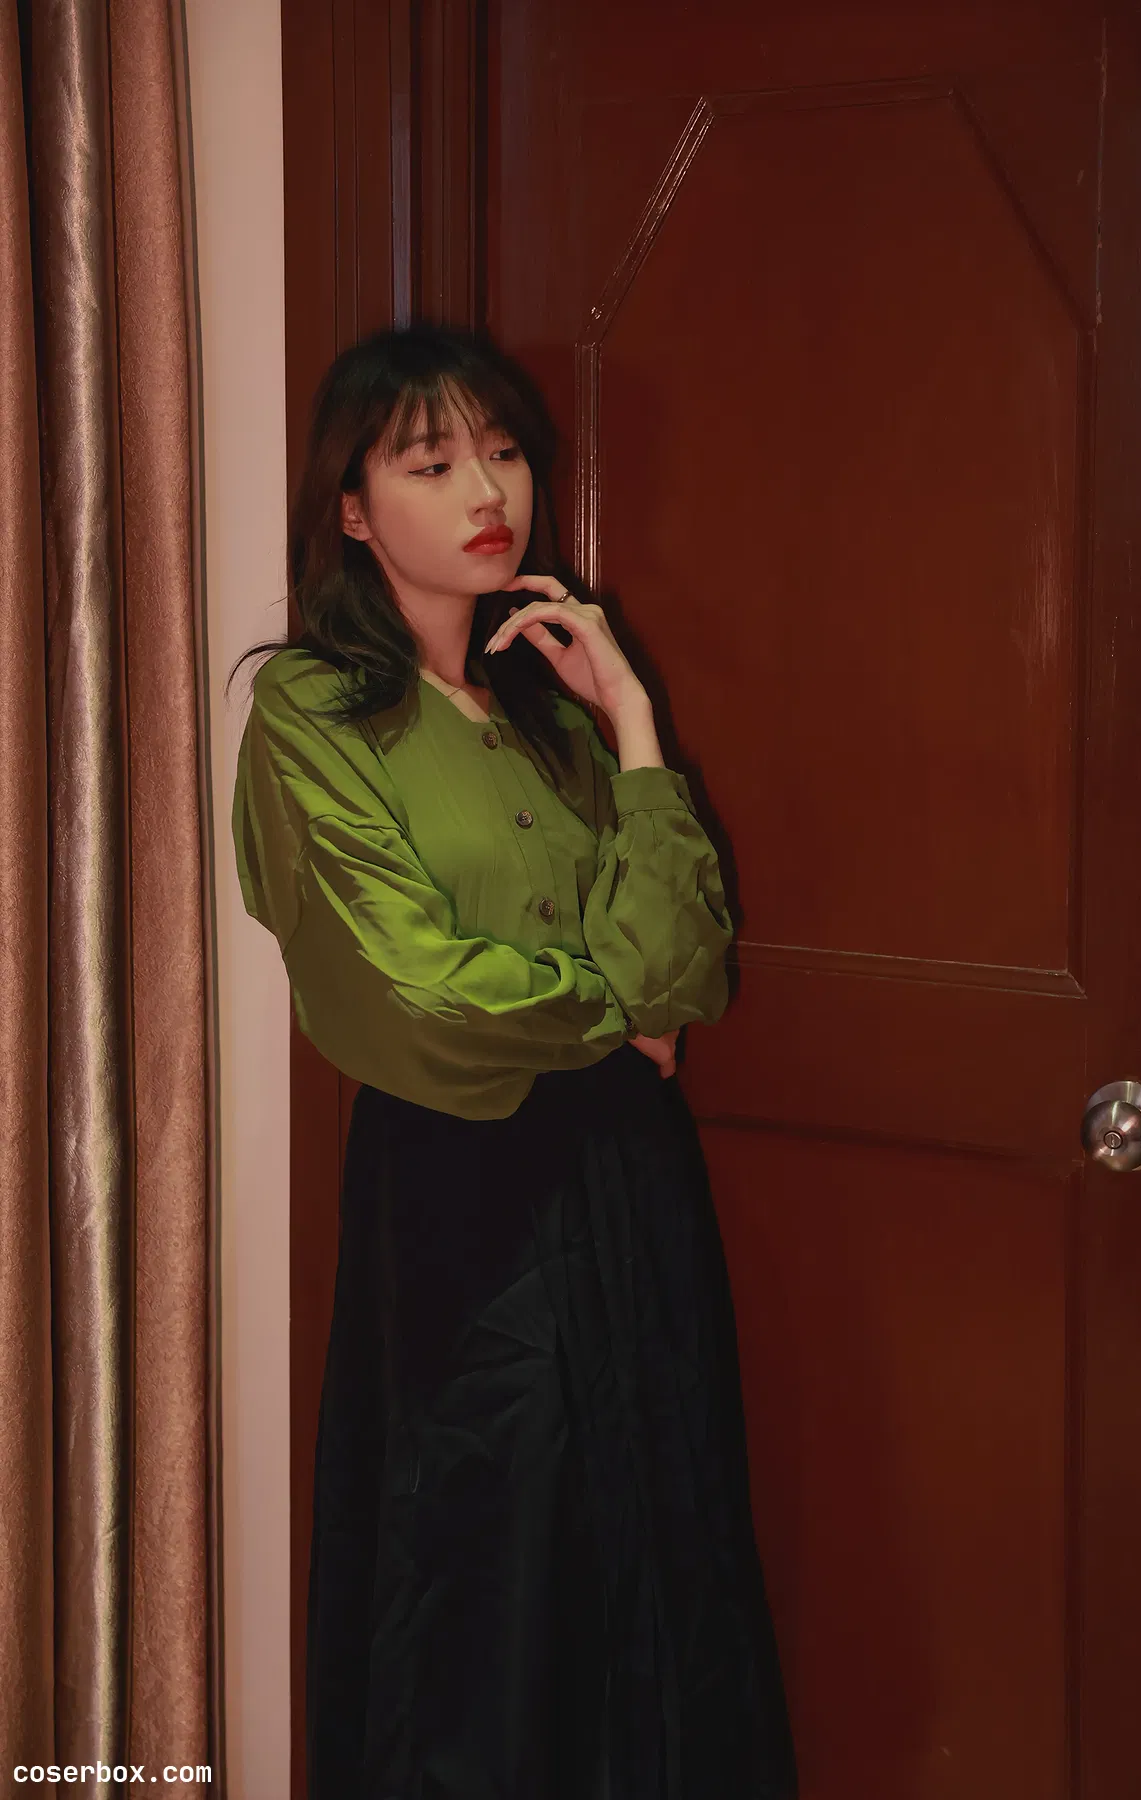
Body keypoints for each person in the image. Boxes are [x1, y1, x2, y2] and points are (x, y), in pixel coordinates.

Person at [227, 323, 799, 1800]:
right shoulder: (311, 711)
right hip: (460, 1194)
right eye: (431, 463)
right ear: (353, 509)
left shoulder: (556, 708)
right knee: (480, 1572)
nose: (489, 491)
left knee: (654, 1550)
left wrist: (634, 722)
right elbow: (414, 994)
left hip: (629, 1181)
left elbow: (691, 969)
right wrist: (613, 1016)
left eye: (503, 451)